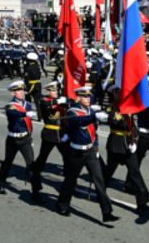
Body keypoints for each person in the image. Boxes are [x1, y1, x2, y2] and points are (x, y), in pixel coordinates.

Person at [54, 86, 120, 223]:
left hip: (90, 152)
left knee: (99, 181)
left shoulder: (91, 110)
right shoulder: (72, 111)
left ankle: (107, 213)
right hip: (76, 152)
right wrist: (93, 116)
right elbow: (79, 121)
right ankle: (62, 205)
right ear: (78, 98)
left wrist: (95, 148)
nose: (88, 98)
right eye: (84, 96)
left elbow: (94, 132)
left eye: (89, 96)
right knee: (70, 181)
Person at [102, 85, 149, 214]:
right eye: (119, 92)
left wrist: (134, 141)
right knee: (108, 173)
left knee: (135, 173)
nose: (122, 94)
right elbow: (113, 121)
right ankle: (100, 194)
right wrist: (126, 111)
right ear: (114, 93)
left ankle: (142, 203)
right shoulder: (111, 106)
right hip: (116, 144)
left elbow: (132, 125)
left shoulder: (128, 106)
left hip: (128, 144)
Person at [0, 81, 45, 203]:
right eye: (18, 90)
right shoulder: (10, 106)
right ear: (13, 93)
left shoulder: (27, 105)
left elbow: (29, 122)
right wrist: (24, 113)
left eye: (22, 90)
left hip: (25, 139)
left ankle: (36, 192)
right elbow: (13, 113)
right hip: (13, 139)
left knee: (32, 165)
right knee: (8, 162)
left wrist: (30, 136)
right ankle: (0, 183)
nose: (21, 92)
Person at [32, 81, 68, 189]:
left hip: (61, 134)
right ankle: (34, 176)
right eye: (53, 90)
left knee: (68, 158)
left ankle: (69, 184)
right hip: (49, 134)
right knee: (42, 158)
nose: (56, 92)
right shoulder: (44, 100)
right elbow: (44, 105)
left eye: (57, 90)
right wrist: (58, 101)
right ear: (48, 91)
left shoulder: (61, 101)